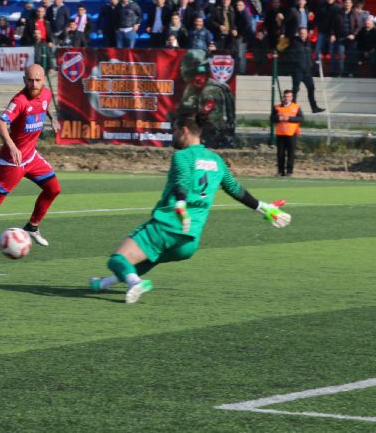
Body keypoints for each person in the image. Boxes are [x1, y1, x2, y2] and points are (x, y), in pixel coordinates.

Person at [88, 113, 291, 303]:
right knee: (140, 262)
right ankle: (103, 283)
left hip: (167, 225)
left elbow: (182, 181)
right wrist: (264, 208)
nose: (173, 136)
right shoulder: (216, 160)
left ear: (184, 131)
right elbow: (235, 189)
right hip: (189, 240)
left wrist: (180, 204)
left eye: (175, 131)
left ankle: (135, 283)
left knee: (117, 259)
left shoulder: (182, 156)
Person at [0, 64, 61, 245]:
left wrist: (52, 118)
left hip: (31, 157)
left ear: (43, 81)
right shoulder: (19, 101)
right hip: (13, 160)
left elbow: (45, 105)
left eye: (37, 80)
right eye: (30, 80)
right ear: (24, 80)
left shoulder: (46, 94)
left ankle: (32, 226)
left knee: (53, 189)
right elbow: (0, 124)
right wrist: (12, 146)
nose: (34, 84)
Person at [270, 89, 302, 177]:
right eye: (285, 96)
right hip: (280, 134)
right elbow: (272, 118)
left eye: (288, 96)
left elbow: (301, 119)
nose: (287, 98)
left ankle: (289, 172)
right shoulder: (277, 107)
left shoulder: (296, 107)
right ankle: (280, 172)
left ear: (291, 98)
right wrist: (277, 118)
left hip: (292, 134)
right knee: (280, 154)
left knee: (291, 154)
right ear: (283, 97)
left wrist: (290, 119)